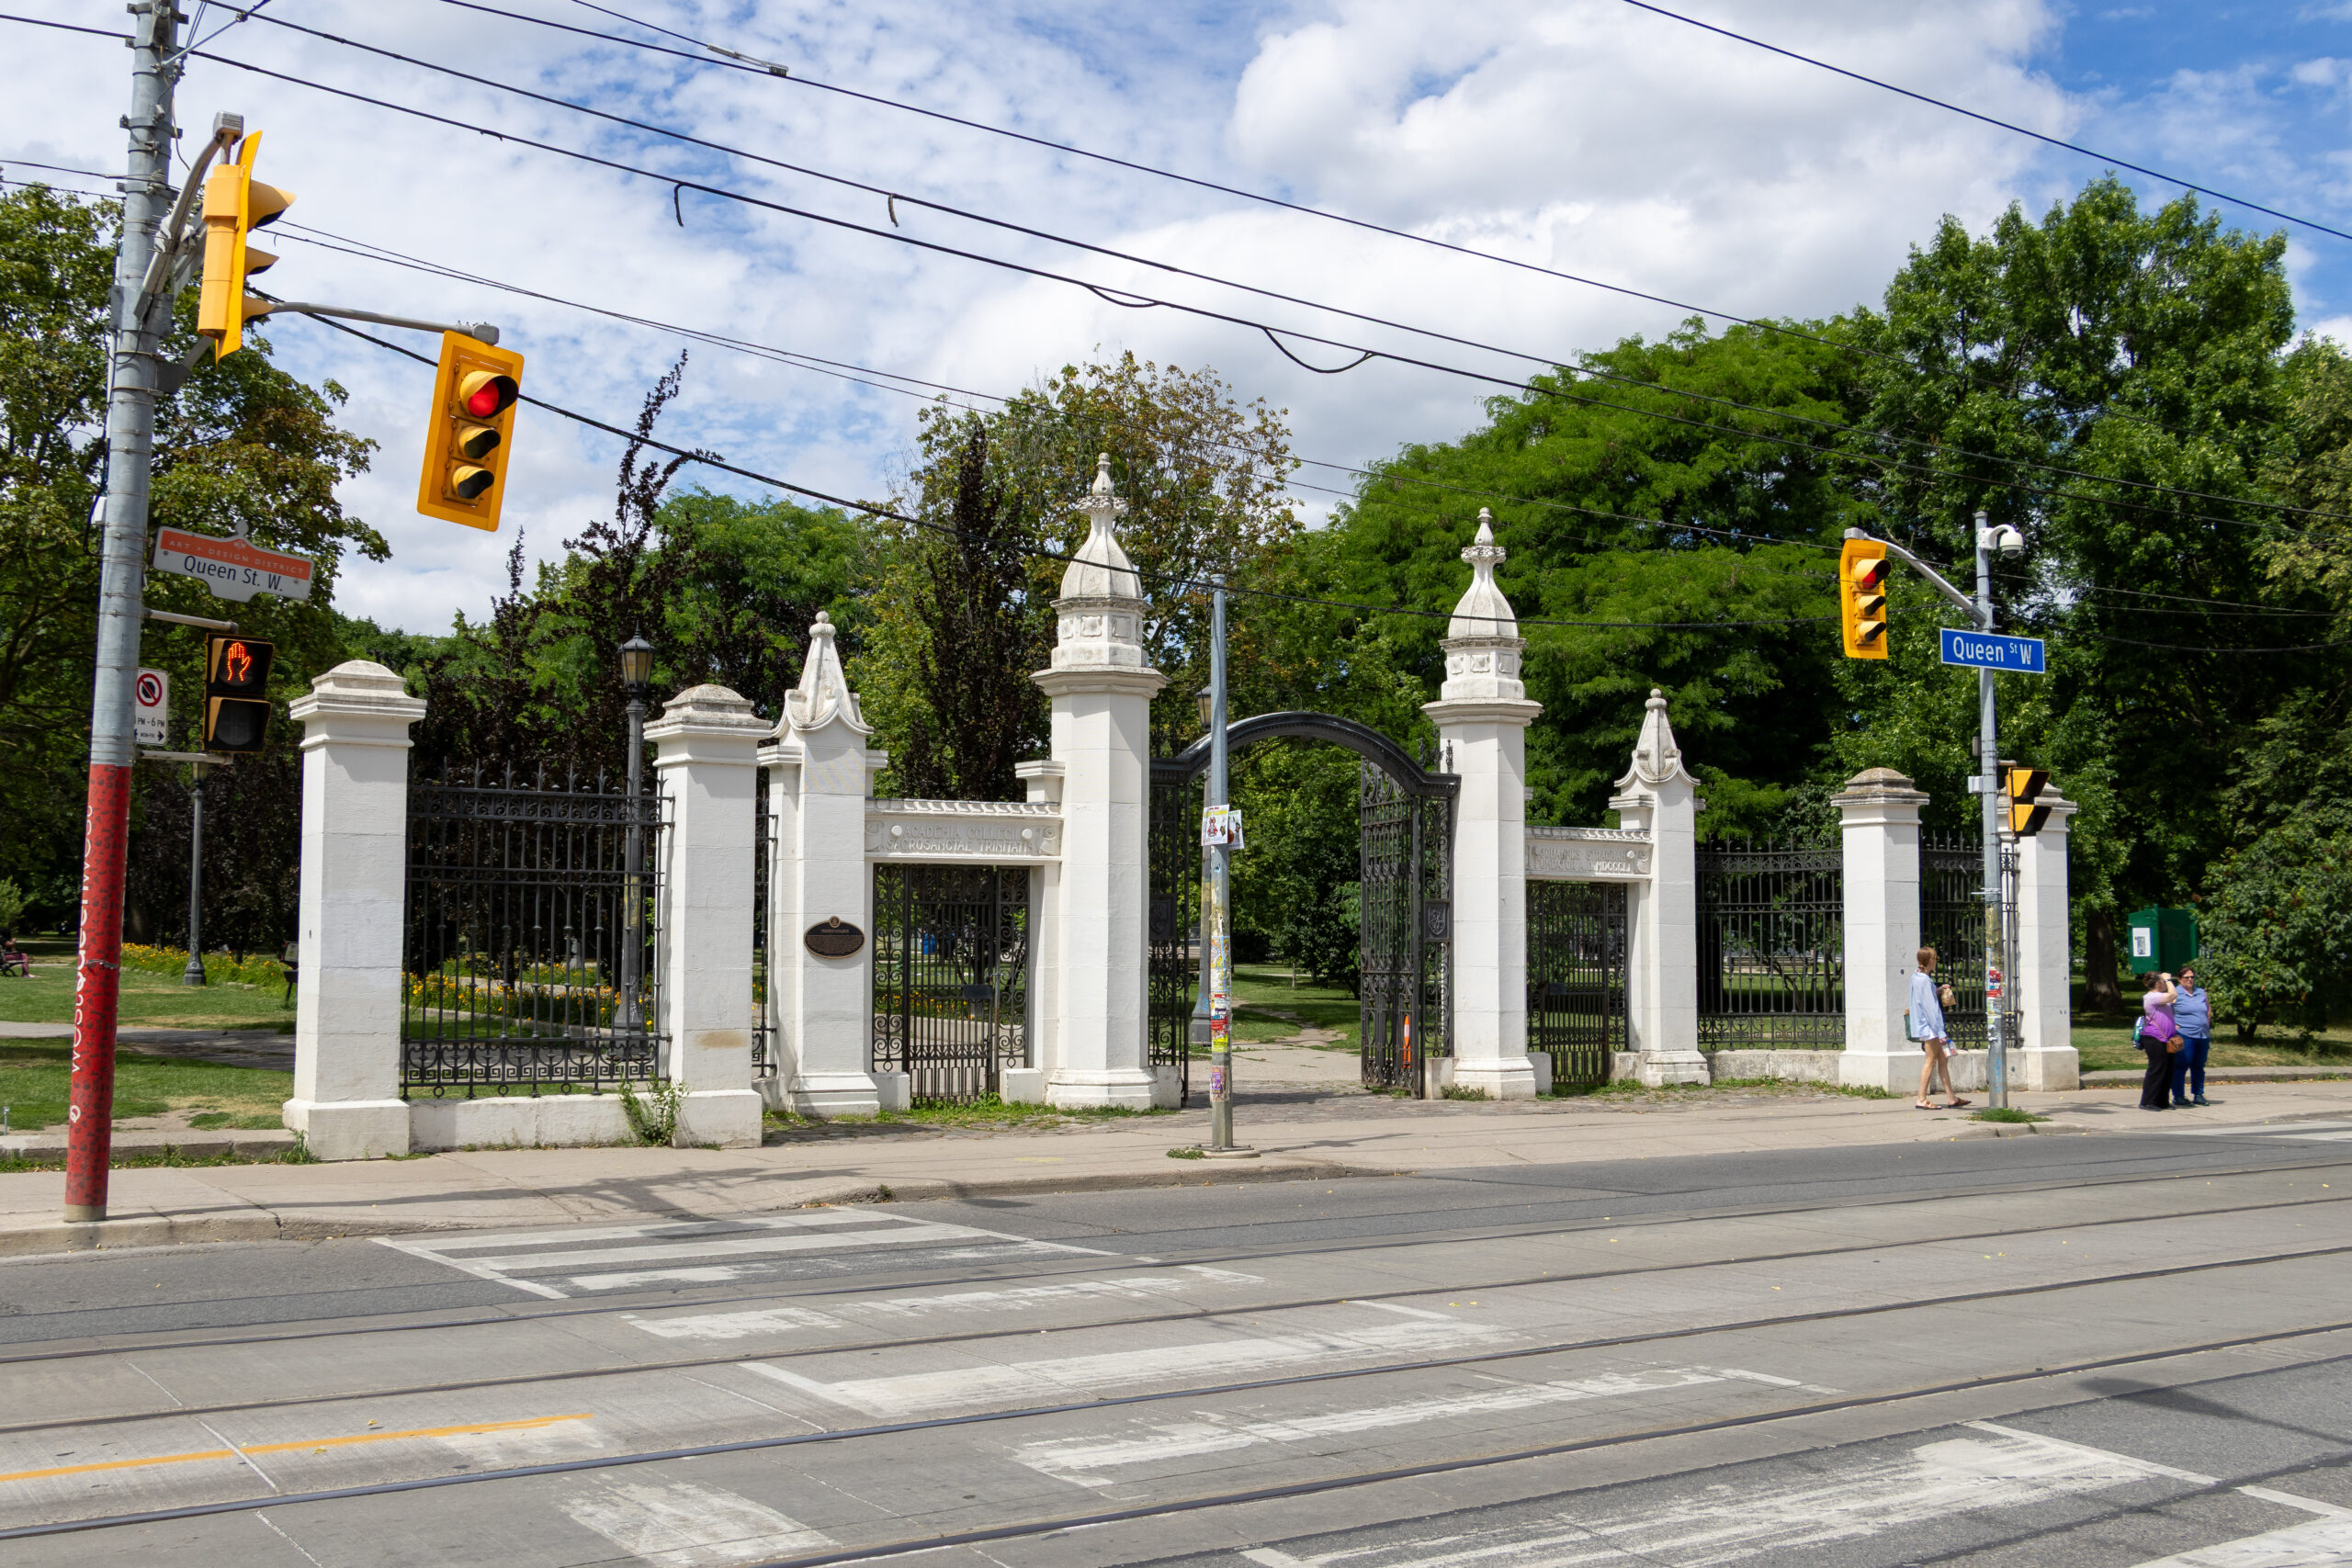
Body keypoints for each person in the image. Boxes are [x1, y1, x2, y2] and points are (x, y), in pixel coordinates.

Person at [1910, 946, 1969, 1110]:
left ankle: (1952, 1098)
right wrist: (1940, 1030)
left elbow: (1924, 998)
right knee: (1930, 1061)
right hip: (1930, 1027)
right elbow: (1930, 1008)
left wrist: (1938, 990)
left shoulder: (1918, 977)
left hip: (1928, 1026)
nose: (1937, 960)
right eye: (1935, 958)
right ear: (1929, 960)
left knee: (1942, 1059)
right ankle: (1921, 1099)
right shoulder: (1923, 979)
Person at [2172, 964, 2214, 1107]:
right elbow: (2165, 1011)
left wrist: (2207, 1023)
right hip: (2184, 1034)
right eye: (2186, 977)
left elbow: (2207, 1009)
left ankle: (2198, 1094)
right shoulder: (2175, 993)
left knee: (2199, 1065)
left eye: (2192, 977)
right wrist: (2173, 1025)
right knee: (2182, 1064)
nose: (2190, 980)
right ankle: (2178, 1096)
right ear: (2179, 979)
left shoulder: (2201, 992)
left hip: (2202, 1035)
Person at [2138, 971, 2181, 1110]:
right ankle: (2148, 1101)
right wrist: (2168, 980)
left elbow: (2172, 999)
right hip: (2154, 1038)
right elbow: (2173, 995)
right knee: (2157, 1070)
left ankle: (2162, 1101)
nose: (2166, 984)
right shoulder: (2151, 997)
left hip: (2167, 1040)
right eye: (2163, 982)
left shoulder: (2161, 998)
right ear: (2158, 984)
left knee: (2168, 1070)